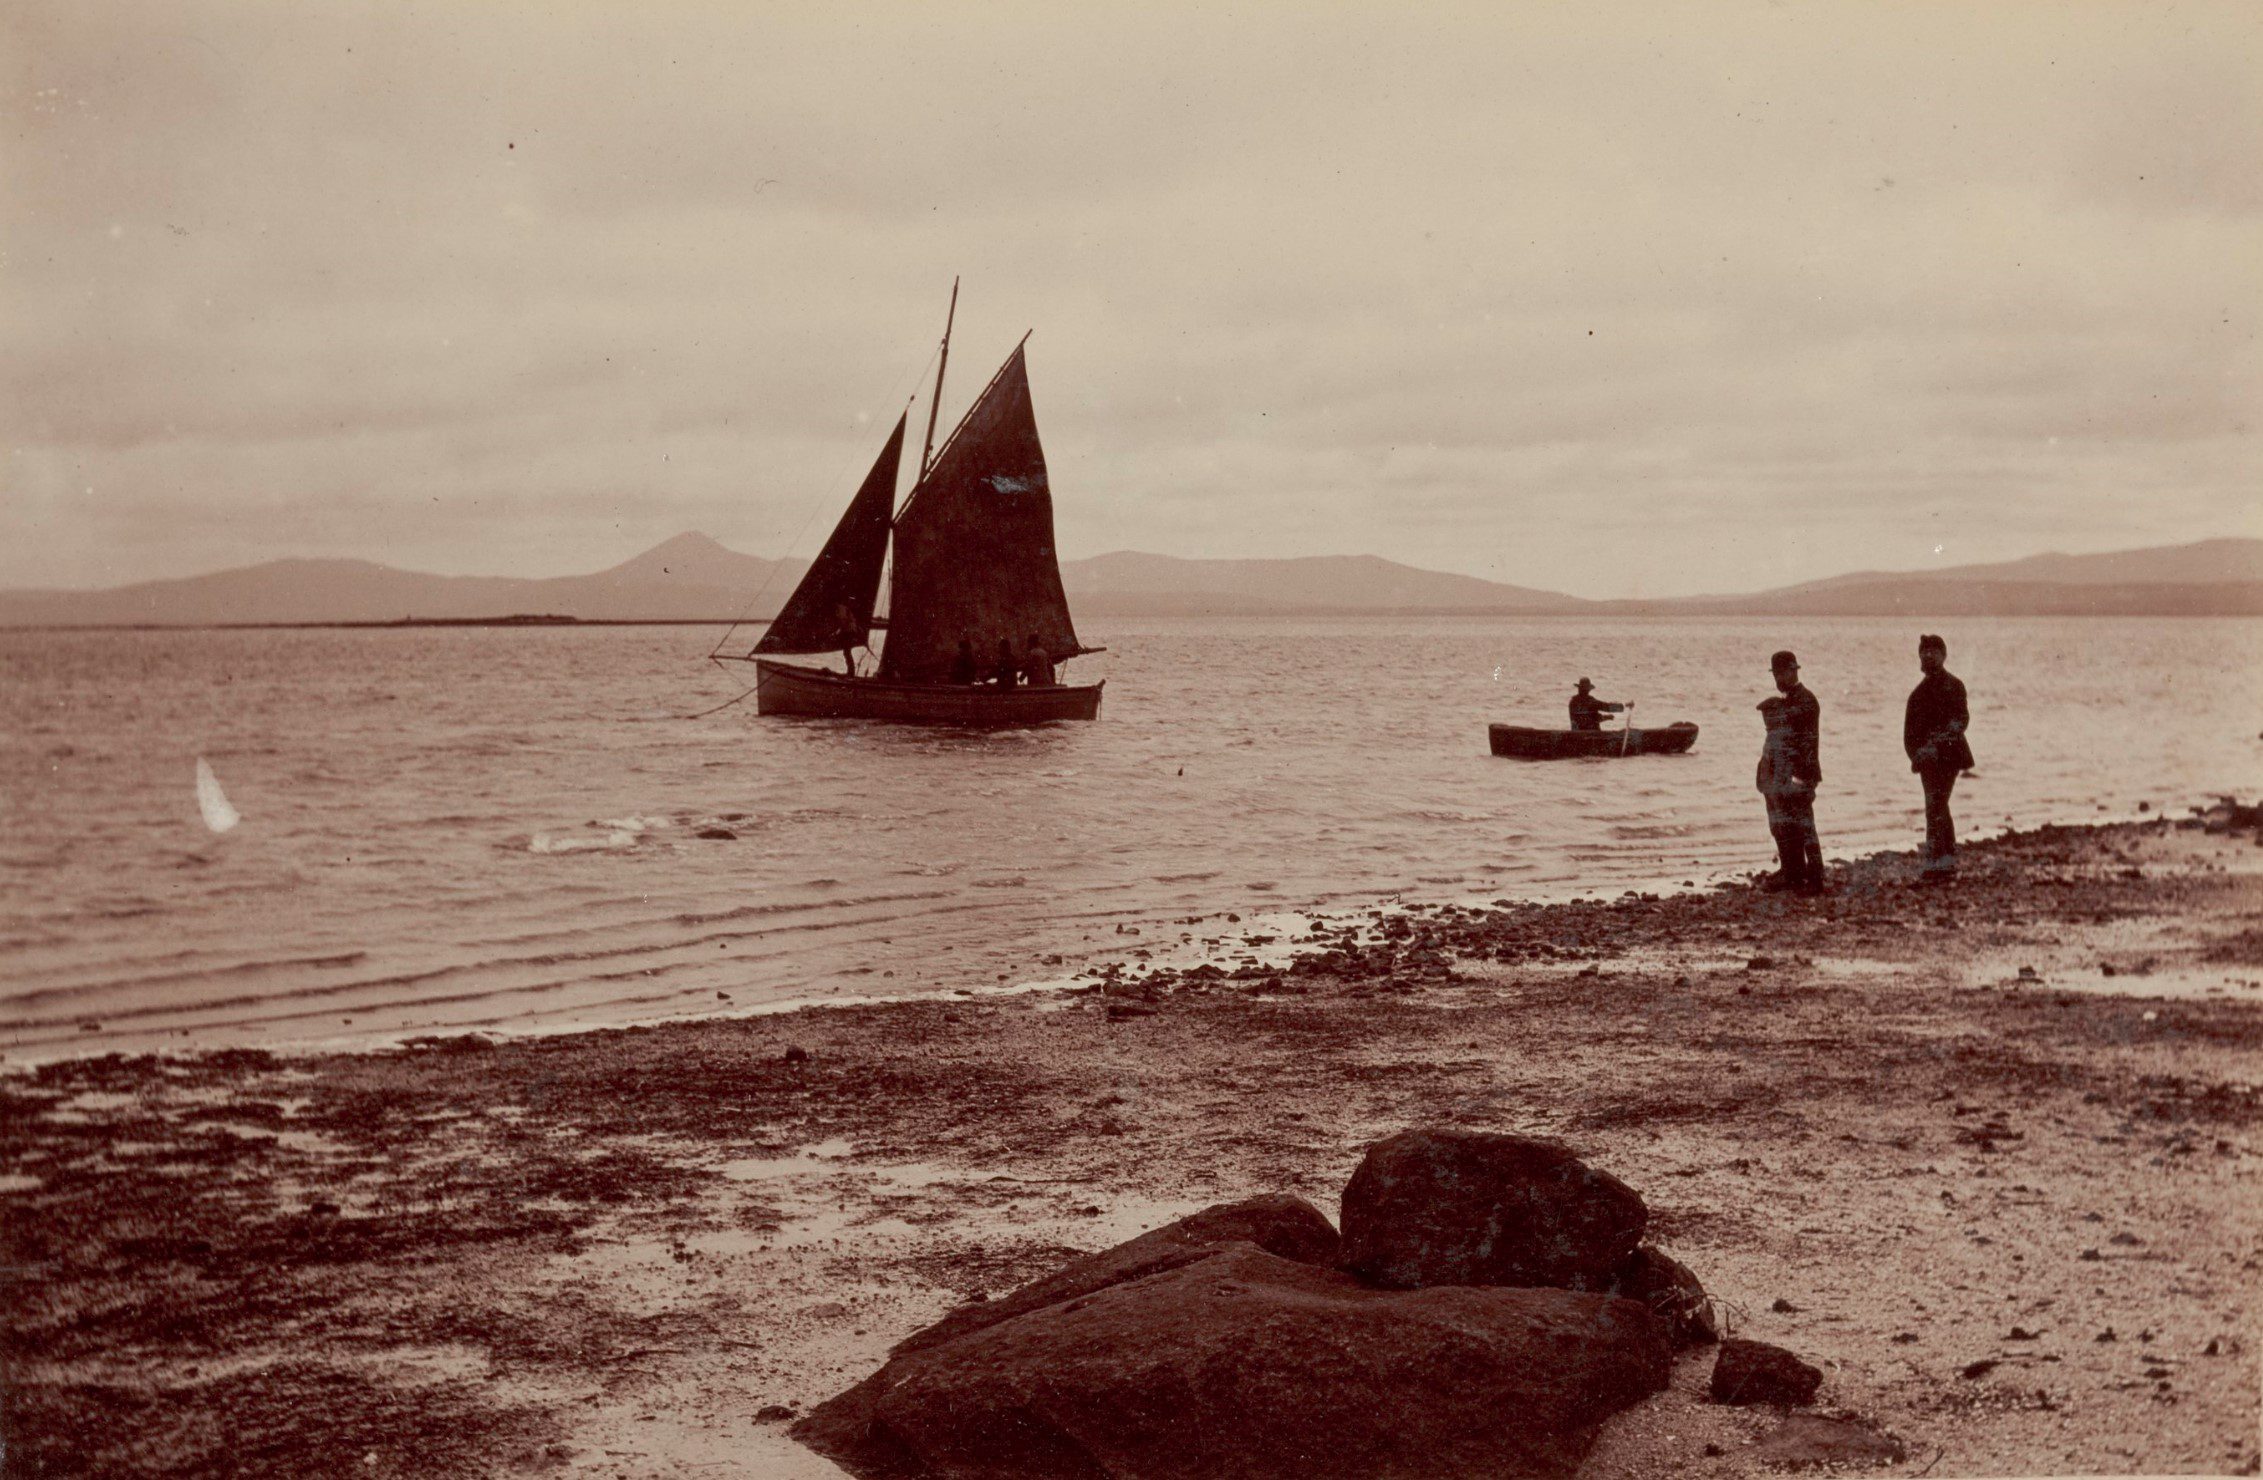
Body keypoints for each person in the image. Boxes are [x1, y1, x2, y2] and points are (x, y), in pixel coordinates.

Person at [1903, 633, 1975, 881]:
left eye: (1933, 651)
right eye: (1923, 652)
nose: (1927, 656)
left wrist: (1937, 745)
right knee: (1935, 806)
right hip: (1927, 761)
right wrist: (1917, 755)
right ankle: (1944, 861)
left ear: (1944, 655)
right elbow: (1909, 734)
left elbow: (1960, 721)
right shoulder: (1917, 694)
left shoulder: (1954, 685)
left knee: (1936, 805)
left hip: (1950, 757)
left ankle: (1939, 863)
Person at [1755, 649, 1824, 893]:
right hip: (1783, 775)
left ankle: (1814, 878)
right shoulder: (1789, 701)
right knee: (1783, 824)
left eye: (1783, 673)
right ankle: (1792, 872)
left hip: (1799, 774)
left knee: (1804, 826)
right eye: (1776, 674)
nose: (1778, 679)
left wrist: (1801, 777)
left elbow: (1805, 743)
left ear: (1793, 671)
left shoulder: (1805, 701)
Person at [832, 601, 860, 677]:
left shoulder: (841, 608)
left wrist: (836, 633)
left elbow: (843, 621)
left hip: (849, 632)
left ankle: (851, 673)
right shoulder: (842, 608)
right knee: (847, 652)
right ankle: (851, 672)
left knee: (847, 652)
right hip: (849, 631)